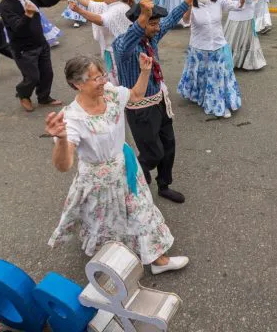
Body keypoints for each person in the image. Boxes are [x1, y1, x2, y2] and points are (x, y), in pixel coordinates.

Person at [45, 54, 189, 275]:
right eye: (95, 79)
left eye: (102, 75)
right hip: (99, 180)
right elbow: (63, 165)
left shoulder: (110, 93)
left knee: (141, 210)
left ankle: (158, 259)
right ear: (77, 84)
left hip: (125, 166)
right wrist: (62, 138)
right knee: (108, 222)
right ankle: (112, 265)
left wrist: (144, 71)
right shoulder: (72, 118)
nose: (102, 81)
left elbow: (135, 94)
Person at [113, 0, 196, 204]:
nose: (157, 27)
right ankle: (136, 170)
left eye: (156, 23)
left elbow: (168, 22)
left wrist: (187, 1)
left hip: (159, 101)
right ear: (138, 22)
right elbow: (126, 46)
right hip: (140, 109)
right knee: (153, 153)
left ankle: (164, 185)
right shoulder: (123, 45)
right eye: (152, 23)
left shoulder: (152, 37)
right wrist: (142, 18)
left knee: (168, 147)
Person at [178, 0, 249, 118]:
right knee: (202, 77)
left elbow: (237, 6)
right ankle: (200, 96)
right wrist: (190, 2)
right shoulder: (191, 3)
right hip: (199, 48)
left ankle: (219, 104)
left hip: (218, 46)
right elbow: (185, 21)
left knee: (217, 78)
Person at [0, 0, 65, 112]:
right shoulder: (6, 6)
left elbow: (48, 1)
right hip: (24, 49)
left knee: (47, 73)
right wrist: (28, 15)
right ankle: (23, 95)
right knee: (32, 77)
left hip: (41, 43)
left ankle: (44, 97)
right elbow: (17, 28)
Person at [67, 0, 133, 85]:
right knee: (115, 75)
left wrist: (78, 10)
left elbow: (101, 20)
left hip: (116, 52)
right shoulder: (110, 5)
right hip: (113, 49)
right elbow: (89, 3)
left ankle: (122, 96)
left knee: (118, 77)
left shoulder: (118, 9)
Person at [225, 0, 272, 70]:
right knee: (239, 41)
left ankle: (241, 61)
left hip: (244, 17)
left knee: (241, 41)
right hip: (241, 19)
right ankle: (240, 62)